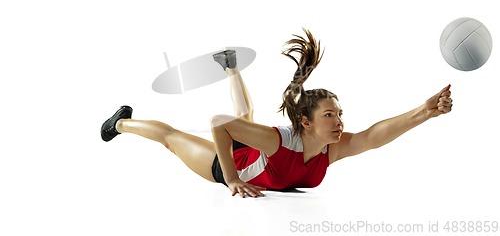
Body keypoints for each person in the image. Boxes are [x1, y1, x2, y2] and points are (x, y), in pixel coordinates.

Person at [101, 28, 453, 198]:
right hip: (226, 163)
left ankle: (230, 67)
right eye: (330, 115)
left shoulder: (331, 148)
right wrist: (232, 178)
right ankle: (120, 121)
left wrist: (424, 111)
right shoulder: (278, 140)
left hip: (253, 153)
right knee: (171, 138)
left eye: (339, 113)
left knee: (246, 114)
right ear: (305, 122)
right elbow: (217, 124)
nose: (340, 121)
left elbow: (374, 137)